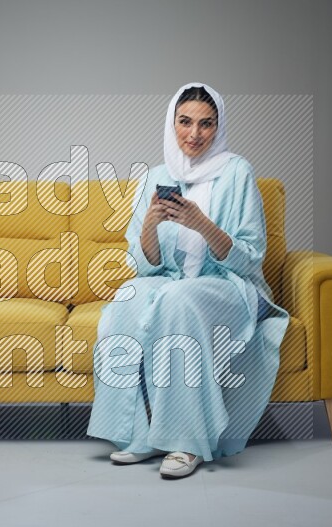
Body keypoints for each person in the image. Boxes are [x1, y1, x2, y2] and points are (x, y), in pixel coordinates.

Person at [85, 82, 291, 479]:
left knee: (178, 300)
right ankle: (137, 435)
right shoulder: (156, 176)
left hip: (228, 286)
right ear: (172, 123)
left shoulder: (237, 172)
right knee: (127, 298)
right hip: (171, 280)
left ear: (218, 126)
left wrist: (202, 225)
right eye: (185, 122)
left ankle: (186, 442)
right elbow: (143, 266)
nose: (194, 134)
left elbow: (250, 258)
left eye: (206, 124)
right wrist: (149, 225)